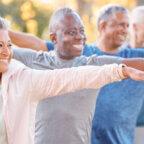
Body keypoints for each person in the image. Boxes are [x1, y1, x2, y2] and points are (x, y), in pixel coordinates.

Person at [8, 6, 144, 144]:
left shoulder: (93, 63)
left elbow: (126, 64)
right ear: (54, 38)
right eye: (72, 32)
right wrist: (4, 32)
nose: (79, 36)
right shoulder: (37, 60)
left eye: (81, 31)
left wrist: (127, 70)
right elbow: (12, 50)